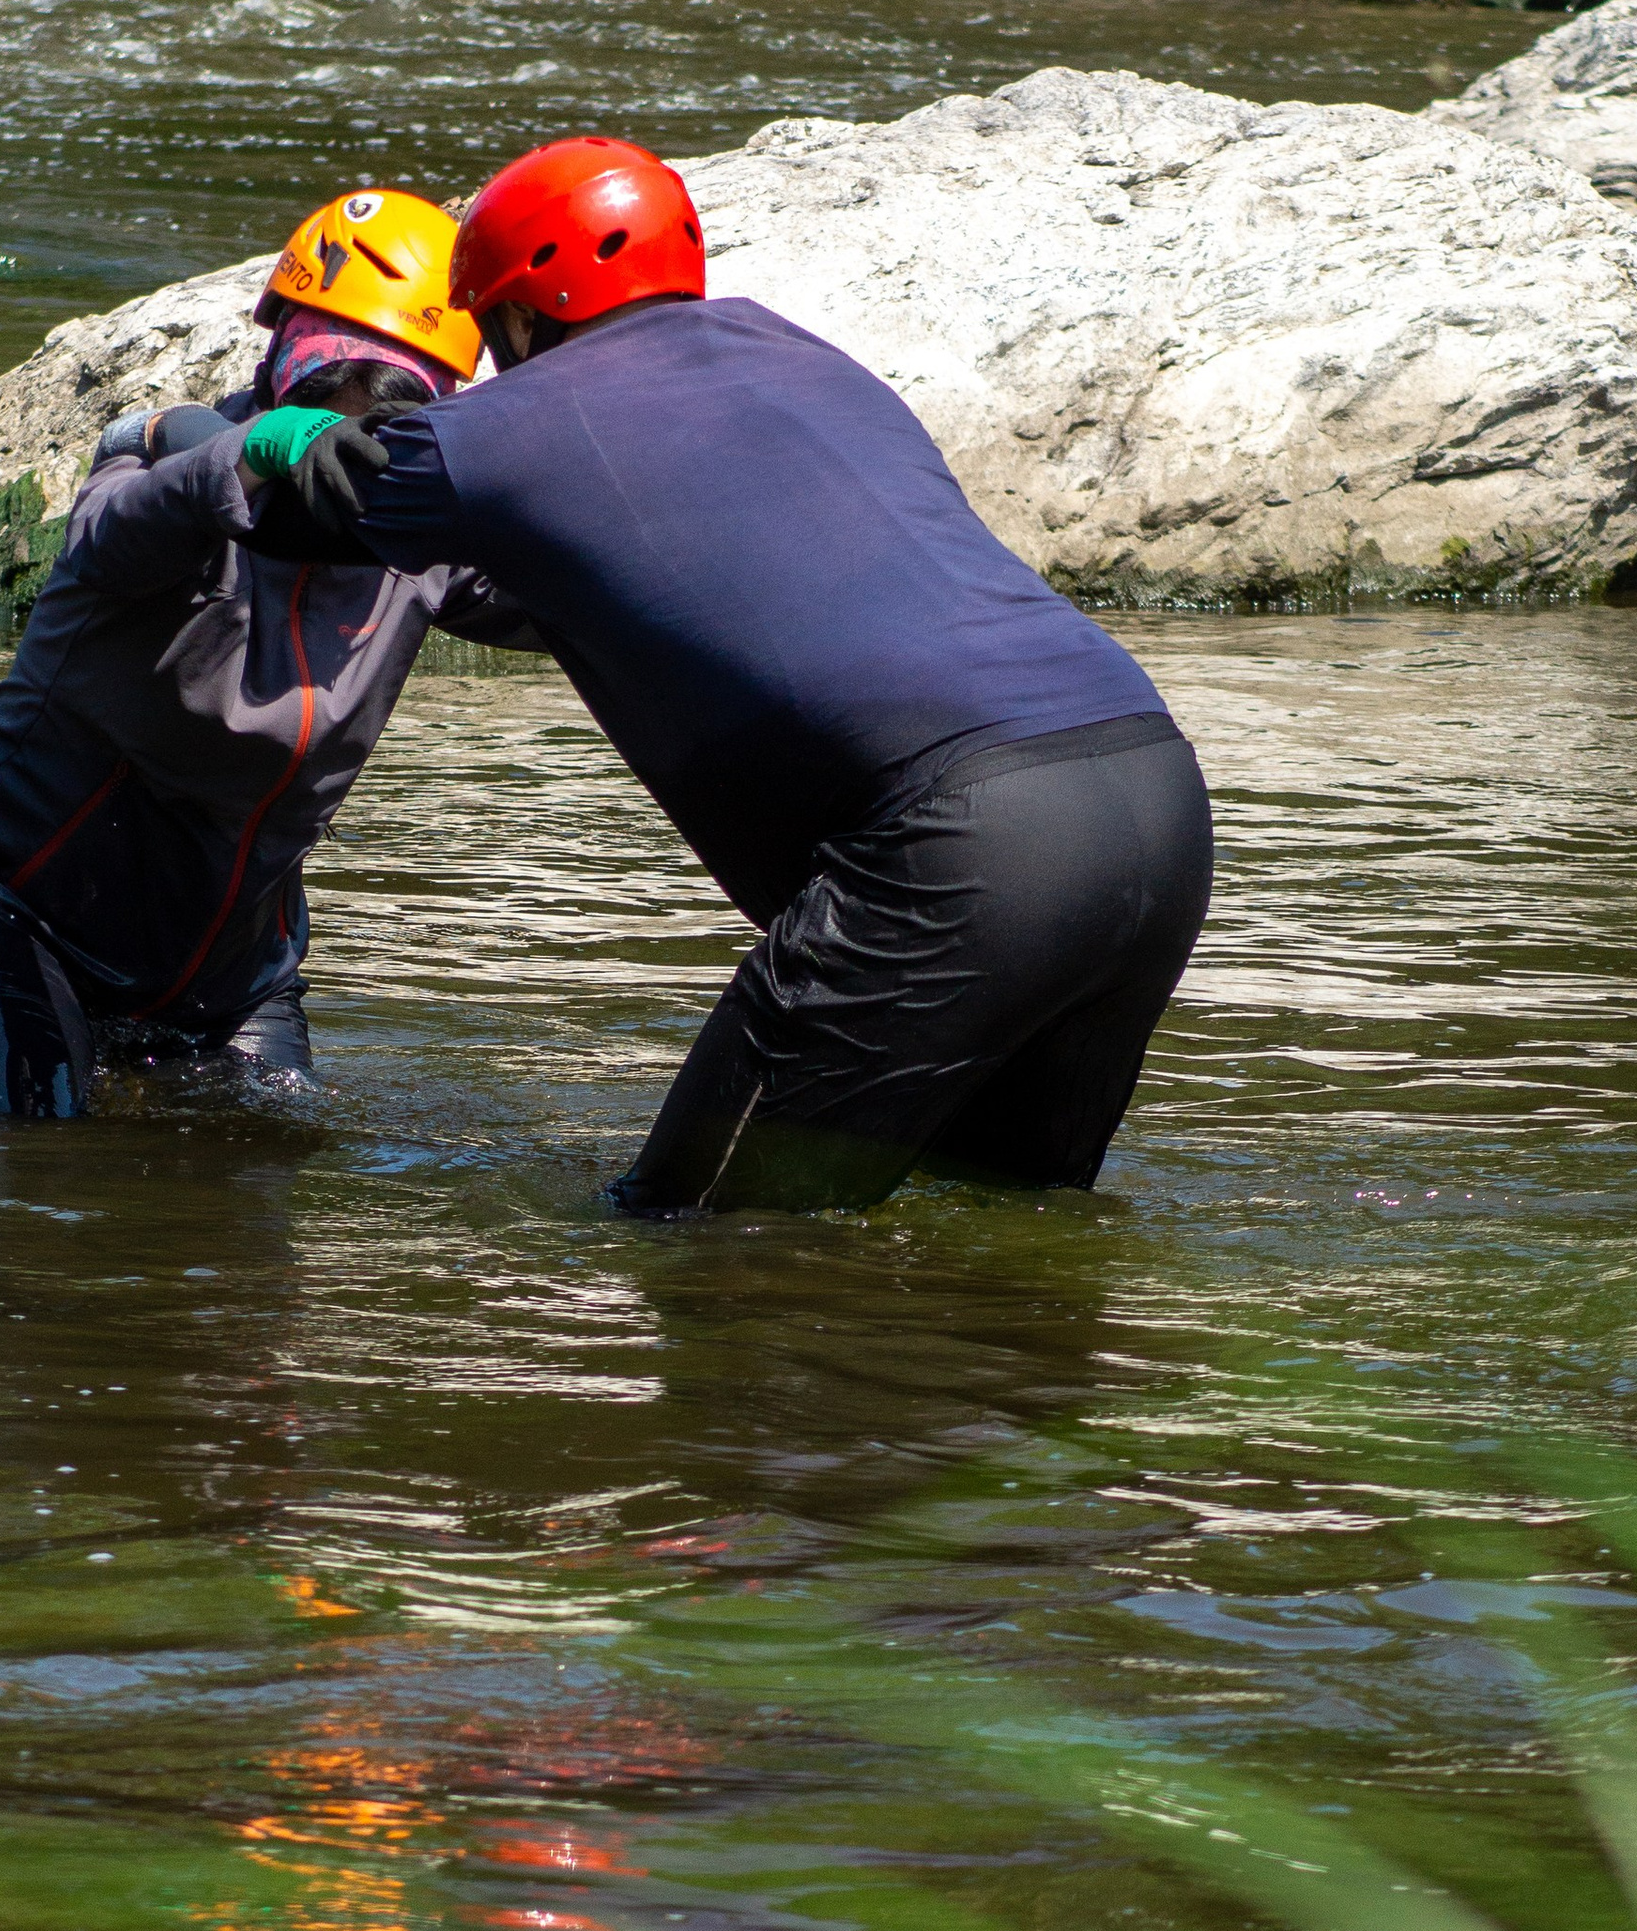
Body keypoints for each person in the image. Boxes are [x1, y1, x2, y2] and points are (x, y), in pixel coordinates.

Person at [272, 130, 1212, 1217]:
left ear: (521, 314)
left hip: (961, 848)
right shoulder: (799, 355)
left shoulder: (508, 424)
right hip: (1152, 799)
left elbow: (312, 502)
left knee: (702, 1242)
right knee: (997, 1232)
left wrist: (251, 426)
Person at [0, 187, 537, 1114]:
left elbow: (591, 596)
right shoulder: (151, 476)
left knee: (260, 1203)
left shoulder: (425, 537)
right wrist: (263, 449)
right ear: (276, 363)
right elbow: (122, 526)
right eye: (323, 392)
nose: (349, 424)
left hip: (227, 983)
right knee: (3, 1170)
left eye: (386, 404)